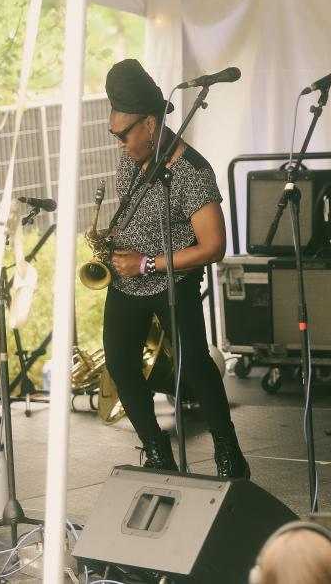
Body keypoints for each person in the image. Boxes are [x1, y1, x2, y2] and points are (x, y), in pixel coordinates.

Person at [101, 59, 247, 478]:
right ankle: (155, 447)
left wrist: (148, 262)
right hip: (127, 280)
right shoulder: (133, 157)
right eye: (114, 135)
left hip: (173, 279)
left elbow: (214, 247)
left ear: (150, 124)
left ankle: (228, 451)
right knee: (120, 365)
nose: (119, 144)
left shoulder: (192, 173)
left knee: (195, 366)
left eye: (123, 134)